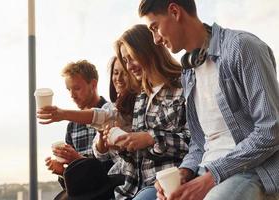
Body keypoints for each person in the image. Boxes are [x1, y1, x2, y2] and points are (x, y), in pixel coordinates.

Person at [138, 0, 279, 200]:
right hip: (205, 171)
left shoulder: (242, 47)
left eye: (155, 28)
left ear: (174, 11)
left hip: (253, 170)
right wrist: (185, 171)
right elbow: (199, 143)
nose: (155, 40)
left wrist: (212, 175)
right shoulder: (188, 72)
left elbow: (270, 130)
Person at [95, 24, 190, 200]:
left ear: (149, 50)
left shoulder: (183, 85)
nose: (129, 66)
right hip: (131, 187)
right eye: (125, 60)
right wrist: (123, 145)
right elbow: (138, 157)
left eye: (132, 57)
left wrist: (150, 138)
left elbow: (195, 142)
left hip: (166, 184)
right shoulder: (141, 97)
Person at [39, 60, 111, 189]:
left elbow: (115, 169)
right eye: (69, 89)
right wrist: (62, 171)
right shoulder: (72, 126)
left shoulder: (110, 114)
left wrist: (78, 160)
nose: (72, 95)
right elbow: (74, 185)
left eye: (77, 88)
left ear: (93, 85)